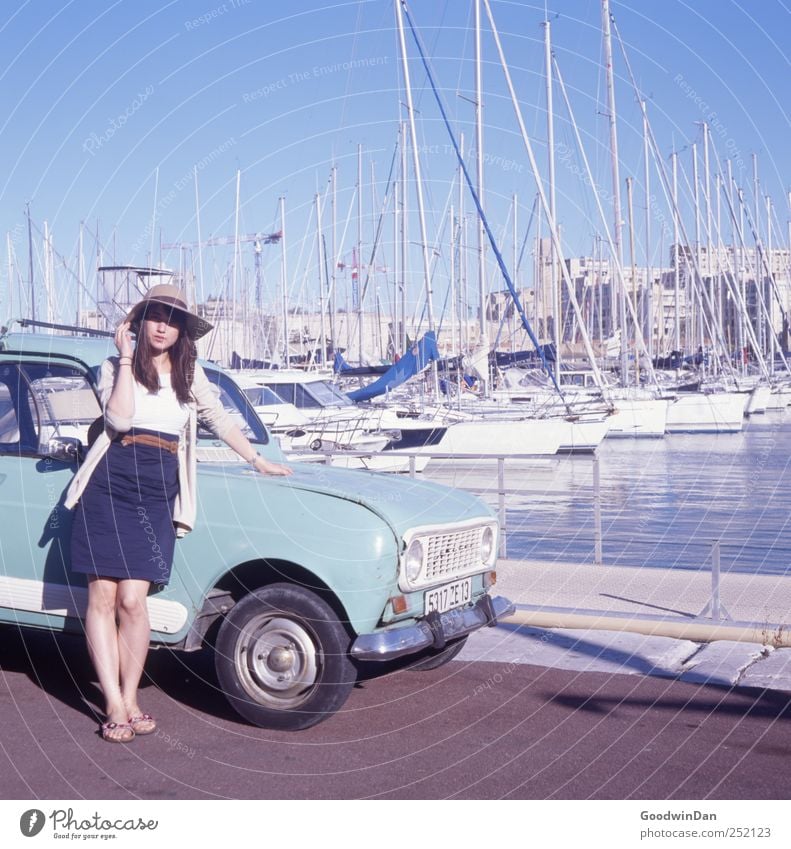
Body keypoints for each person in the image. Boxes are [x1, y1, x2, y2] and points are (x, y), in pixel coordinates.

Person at [65, 284, 291, 743]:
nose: (163, 325)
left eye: (173, 319)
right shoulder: (112, 368)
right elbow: (120, 421)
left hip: (156, 484)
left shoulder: (191, 374)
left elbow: (221, 420)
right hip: (109, 481)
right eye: (155, 316)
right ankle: (113, 702)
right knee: (102, 599)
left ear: (183, 329)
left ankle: (131, 696)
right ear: (139, 322)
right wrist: (126, 358)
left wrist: (257, 460)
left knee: (133, 600)